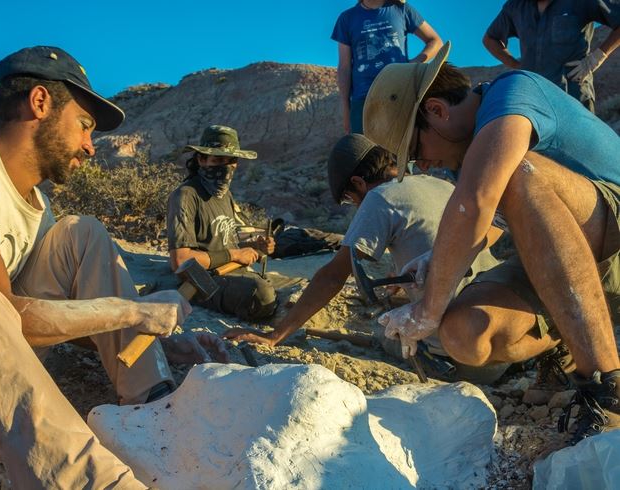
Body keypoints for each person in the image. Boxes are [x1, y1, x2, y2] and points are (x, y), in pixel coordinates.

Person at [0, 46, 229, 489]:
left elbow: (50, 320)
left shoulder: (39, 208)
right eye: (84, 125)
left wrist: (152, 335)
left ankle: (152, 403)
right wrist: (134, 312)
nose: (90, 147)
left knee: (83, 232)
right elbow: (1, 315)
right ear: (40, 103)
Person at [362, 41, 620, 443]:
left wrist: (428, 308)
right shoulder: (466, 158)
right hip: (577, 263)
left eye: (415, 150)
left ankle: (607, 391)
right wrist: (436, 260)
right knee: (464, 333)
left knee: (515, 173)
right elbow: (503, 218)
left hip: (613, 229)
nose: (420, 166)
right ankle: (567, 341)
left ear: (436, 110)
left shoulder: (512, 93)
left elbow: (482, 198)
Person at [224, 134, 507, 382]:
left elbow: (334, 275)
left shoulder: (380, 197)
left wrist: (275, 336)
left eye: (350, 199)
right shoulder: (441, 184)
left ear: (358, 183)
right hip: (504, 342)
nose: (355, 206)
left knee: (383, 326)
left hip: (464, 359)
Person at [167, 125, 278, 321]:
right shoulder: (185, 196)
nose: (225, 169)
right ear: (201, 159)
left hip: (233, 270)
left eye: (231, 162)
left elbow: (223, 242)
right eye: (217, 161)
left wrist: (256, 246)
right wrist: (236, 254)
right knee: (262, 295)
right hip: (202, 279)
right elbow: (181, 261)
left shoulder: (225, 195)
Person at [482, 0, 620, 113]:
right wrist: (517, 65)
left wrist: (597, 57)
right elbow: (490, 39)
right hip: (532, 99)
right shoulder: (516, 6)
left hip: (573, 97)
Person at [332, 0, 442, 134]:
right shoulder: (347, 18)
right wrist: (345, 107)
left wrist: (414, 63)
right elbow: (344, 68)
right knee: (365, 153)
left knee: (401, 151)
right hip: (363, 102)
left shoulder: (402, 9)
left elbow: (435, 41)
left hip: (400, 96)